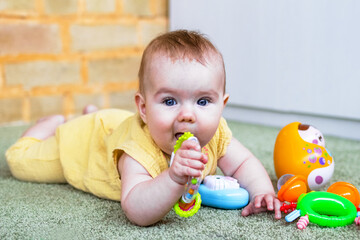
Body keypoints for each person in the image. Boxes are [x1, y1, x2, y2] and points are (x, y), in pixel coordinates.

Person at [6, 30, 281, 226]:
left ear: (222, 105)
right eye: (170, 100)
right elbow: (136, 209)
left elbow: (243, 162)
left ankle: (92, 113)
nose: (188, 115)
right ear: (144, 108)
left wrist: (262, 192)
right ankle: (50, 125)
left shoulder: (217, 132)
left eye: (203, 101)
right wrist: (173, 178)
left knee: (109, 122)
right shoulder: (137, 150)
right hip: (82, 145)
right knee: (20, 162)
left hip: (115, 123)